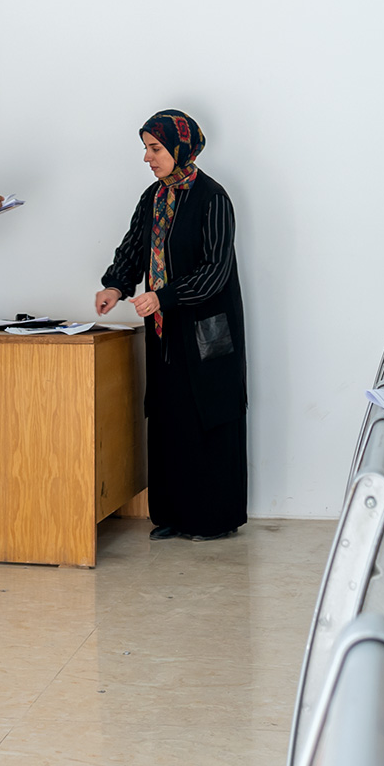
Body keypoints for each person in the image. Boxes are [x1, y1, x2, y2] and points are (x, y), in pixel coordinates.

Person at [95, 110, 248, 541]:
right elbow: (133, 248)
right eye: (146, 148)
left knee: (208, 416)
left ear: (181, 148)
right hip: (165, 332)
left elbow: (215, 269)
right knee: (169, 416)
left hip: (207, 332)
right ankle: (173, 515)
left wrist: (164, 296)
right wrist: (115, 285)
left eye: (155, 148)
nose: (148, 157)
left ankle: (212, 520)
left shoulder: (213, 197)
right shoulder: (153, 197)